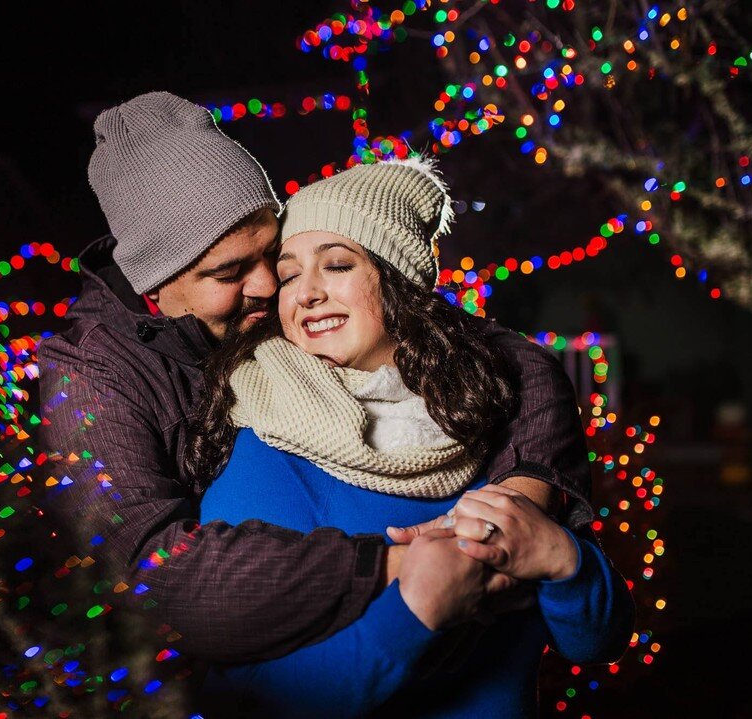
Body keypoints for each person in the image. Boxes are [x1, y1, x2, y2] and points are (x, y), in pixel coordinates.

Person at [38, 91, 596, 670]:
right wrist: (394, 565)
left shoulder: (282, 307)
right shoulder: (90, 377)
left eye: (272, 255)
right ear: (153, 285)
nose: (268, 286)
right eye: (229, 273)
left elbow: (490, 350)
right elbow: (148, 573)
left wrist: (524, 492)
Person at [190, 159, 634, 717]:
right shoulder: (264, 443)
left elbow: (595, 640)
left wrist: (564, 558)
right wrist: (416, 610)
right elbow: (248, 695)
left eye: (336, 265)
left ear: (398, 279)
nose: (306, 293)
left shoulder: (490, 418)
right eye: (289, 275)